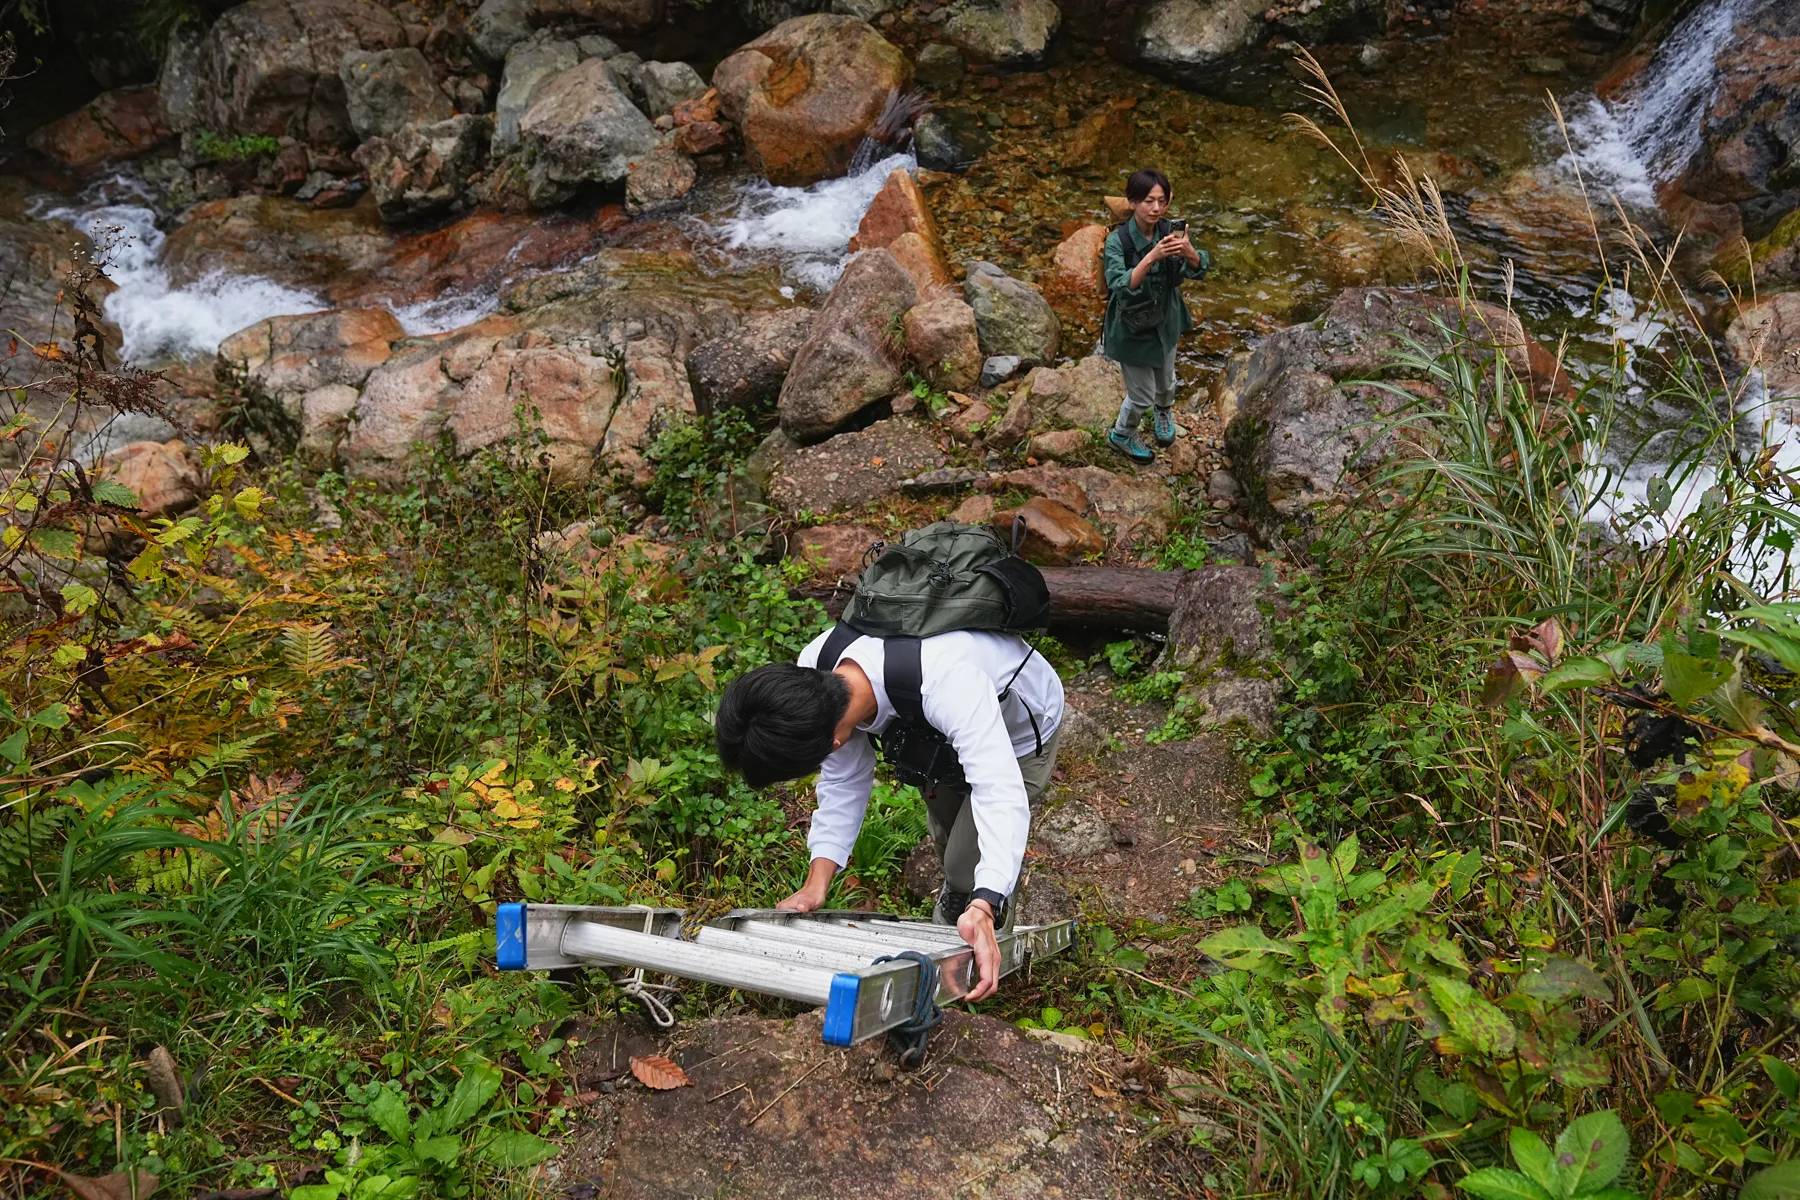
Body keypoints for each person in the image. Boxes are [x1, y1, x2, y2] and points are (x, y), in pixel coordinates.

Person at [714, 625, 1064, 1002]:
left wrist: (986, 901)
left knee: (966, 863)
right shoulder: (818, 669)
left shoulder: (947, 682)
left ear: (831, 744)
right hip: (936, 735)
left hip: (1021, 736)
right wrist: (816, 883)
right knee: (950, 839)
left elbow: (999, 790)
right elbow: (843, 782)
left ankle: (978, 927)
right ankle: (960, 885)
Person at [1103, 167, 1210, 464]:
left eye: (1161, 201)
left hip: (1166, 320)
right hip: (1132, 330)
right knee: (1141, 396)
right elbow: (1119, 286)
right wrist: (1152, 257)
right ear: (1132, 202)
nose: (1156, 208)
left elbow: (1198, 269)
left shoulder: (1168, 230)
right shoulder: (1118, 242)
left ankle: (1164, 413)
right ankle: (1122, 434)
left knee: (1166, 382)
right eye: (1149, 201)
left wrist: (1188, 251)